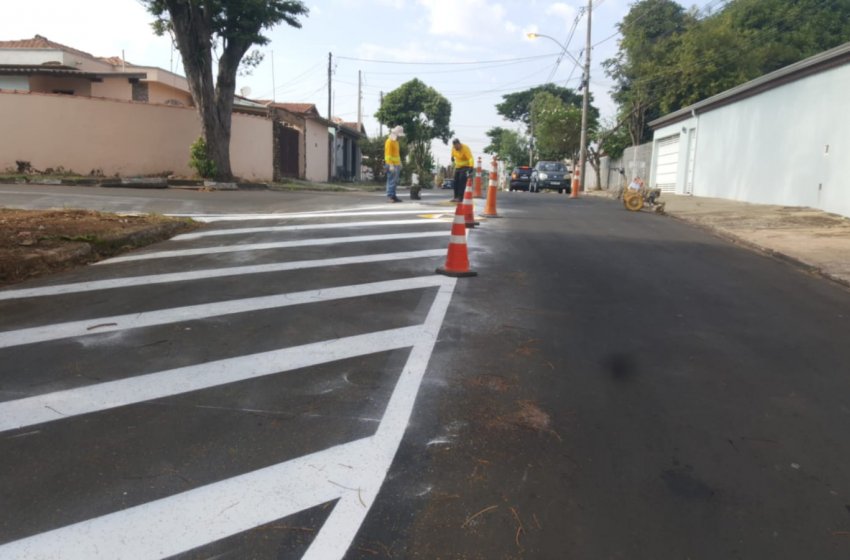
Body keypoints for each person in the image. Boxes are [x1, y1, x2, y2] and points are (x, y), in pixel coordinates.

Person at [450, 138, 474, 203]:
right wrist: (452, 157)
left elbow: (470, 158)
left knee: (461, 181)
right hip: (458, 167)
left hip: (466, 167)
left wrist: (471, 166)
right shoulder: (453, 148)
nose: (456, 148)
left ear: (459, 144)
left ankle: (460, 198)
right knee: (455, 182)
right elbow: (452, 152)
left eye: (457, 146)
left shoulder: (465, 148)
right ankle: (455, 197)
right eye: (455, 147)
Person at [384, 125, 404, 203]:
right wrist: (391, 165)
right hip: (391, 165)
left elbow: (397, 154)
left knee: (395, 181)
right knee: (391, 181)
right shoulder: (389, 142)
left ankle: (393, 195)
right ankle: (390, 196)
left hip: (396, 164)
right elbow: (388, 155)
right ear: (396, 134)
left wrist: (400, 163)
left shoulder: (396, 142)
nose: (400, 137)